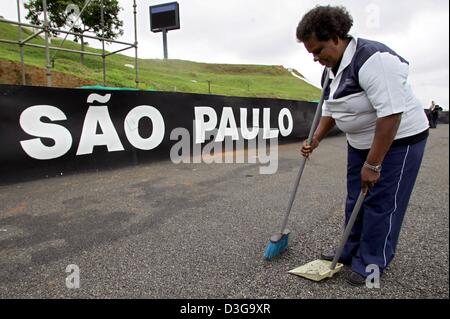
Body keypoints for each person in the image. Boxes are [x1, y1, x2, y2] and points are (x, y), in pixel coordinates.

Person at [296, 5, 429, 286]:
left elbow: (391, 114)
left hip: (399, 141)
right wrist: (316, 137)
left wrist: (373, 163)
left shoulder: (373, 59)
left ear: (335, 36)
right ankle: (349, 249)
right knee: (355, 196)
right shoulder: (331, 69)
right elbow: (332, 110)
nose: (316, 58)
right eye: (311, 53)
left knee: (382, 201)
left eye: (318, 50)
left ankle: (372, 261)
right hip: (359, 142)